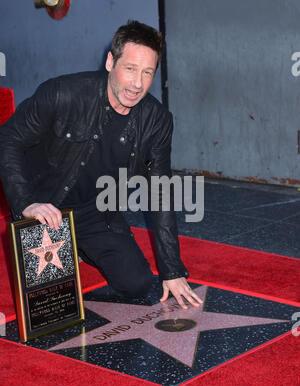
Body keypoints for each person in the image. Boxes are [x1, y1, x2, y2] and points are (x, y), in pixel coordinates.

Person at [0, 20, 202, 310]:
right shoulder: (62, 94)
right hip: (46, 207)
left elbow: (160, 191)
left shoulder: (156, 120)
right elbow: (6, 138)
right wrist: (26, 203)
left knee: (137, 284)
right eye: (130, 69)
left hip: (96, 212)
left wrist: (171, 270)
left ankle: (81, 247)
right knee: (48, 307)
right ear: (110, 62)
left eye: (147, 73)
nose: (137, 84)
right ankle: (63, 241)